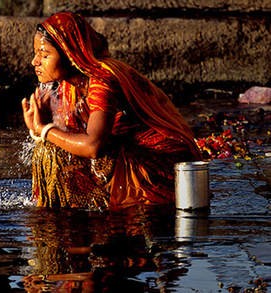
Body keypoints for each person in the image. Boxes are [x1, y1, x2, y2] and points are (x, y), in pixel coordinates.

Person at [21, 12, 202, 209]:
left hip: (163, 168)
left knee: (49, 151)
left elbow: (92, 146)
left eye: (45, 55)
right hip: (127, 156)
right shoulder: (68, 85)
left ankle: (69, 219)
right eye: (35, 53)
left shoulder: (102, 81)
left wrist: (44, 130)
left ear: (70, 54)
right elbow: (74, 141)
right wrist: (44, 125)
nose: (35, 62)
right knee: (48, 150)